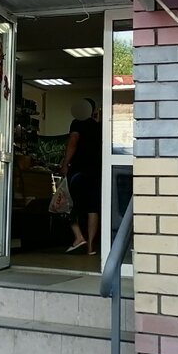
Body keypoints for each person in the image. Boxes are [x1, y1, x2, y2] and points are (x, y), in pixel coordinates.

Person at [59, 97, 101, 255]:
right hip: (95, 171)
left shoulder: (77, 123)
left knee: (68, 203)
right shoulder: (98, 126)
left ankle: (78, 237)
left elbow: (73, 142)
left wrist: (65, 164)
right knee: (92, 208)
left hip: (78, 170)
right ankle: (90, 246)